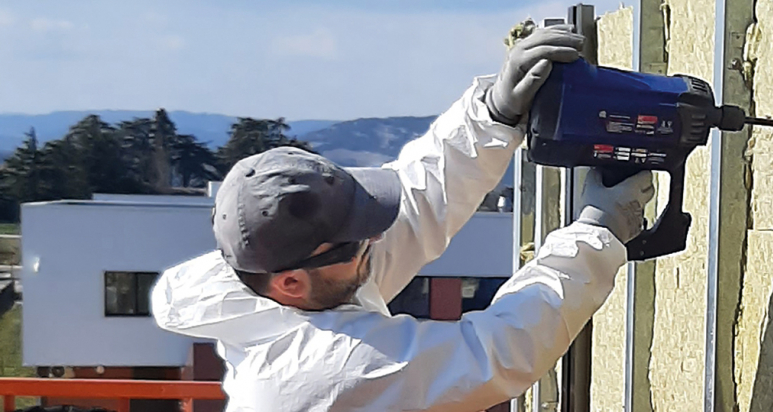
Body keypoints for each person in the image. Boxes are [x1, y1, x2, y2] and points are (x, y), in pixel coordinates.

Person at [150, 24, 655, 412]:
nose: (373, 242)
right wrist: (596, 234)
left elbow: (415, 207)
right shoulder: (330, 368)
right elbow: (497, 352)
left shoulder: (272, 290)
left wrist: (492, 114)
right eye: (356, 242)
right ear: (289, 283)